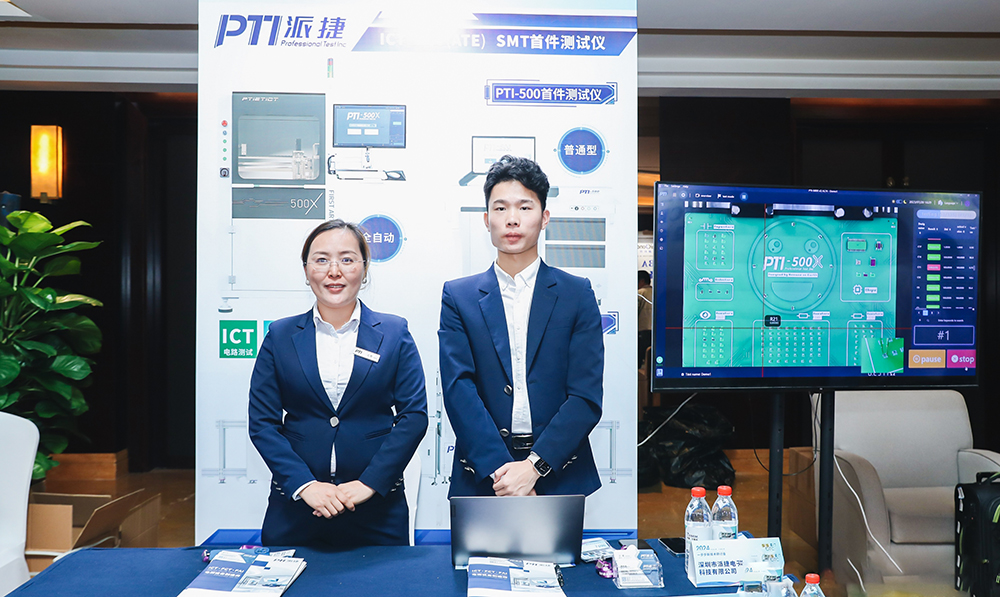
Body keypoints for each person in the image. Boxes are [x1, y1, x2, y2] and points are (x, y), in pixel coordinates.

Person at [248, 219, 427, 547]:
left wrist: (369, 483)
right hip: (297, 508)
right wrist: (305, 485)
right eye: (321, 259)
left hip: (377, 509)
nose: (334, 271)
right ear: (306, 270)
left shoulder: (394, 333)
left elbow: (414, 417)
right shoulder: (280, 336)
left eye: (347, 259)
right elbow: (262, 423)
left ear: (365, 268)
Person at [439, 155, 604, 498]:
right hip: (484, 474)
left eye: (525, 207)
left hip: (559, 471)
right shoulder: (459, 296)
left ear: (544, 217)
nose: (512, 219)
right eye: (500, 208)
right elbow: (458, 390)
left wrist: (533, 468)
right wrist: (504, 476)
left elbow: (585, 395)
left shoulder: (576, 294)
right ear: (486, 219)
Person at [637, 270, 653, 368]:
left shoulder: (640, 293)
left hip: (643, 329)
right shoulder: (656, 291)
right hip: (655, 330)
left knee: (640, 357)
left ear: (642, 281)